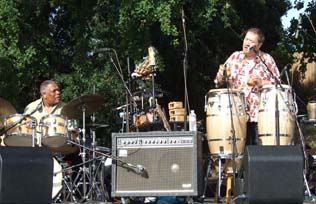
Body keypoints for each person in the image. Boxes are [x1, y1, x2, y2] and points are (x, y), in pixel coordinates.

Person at [214, 28, 280, 145]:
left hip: (259, 116)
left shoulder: (266, 59)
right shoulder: (234, 57)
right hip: (236, 114)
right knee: (240, 154)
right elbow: (218, 82)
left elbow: (278, 84)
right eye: (246, 39)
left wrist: (262, 82)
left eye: (251, 41)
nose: (246, 43)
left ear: (259, 45)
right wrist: (220, 75)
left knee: (258, 154)